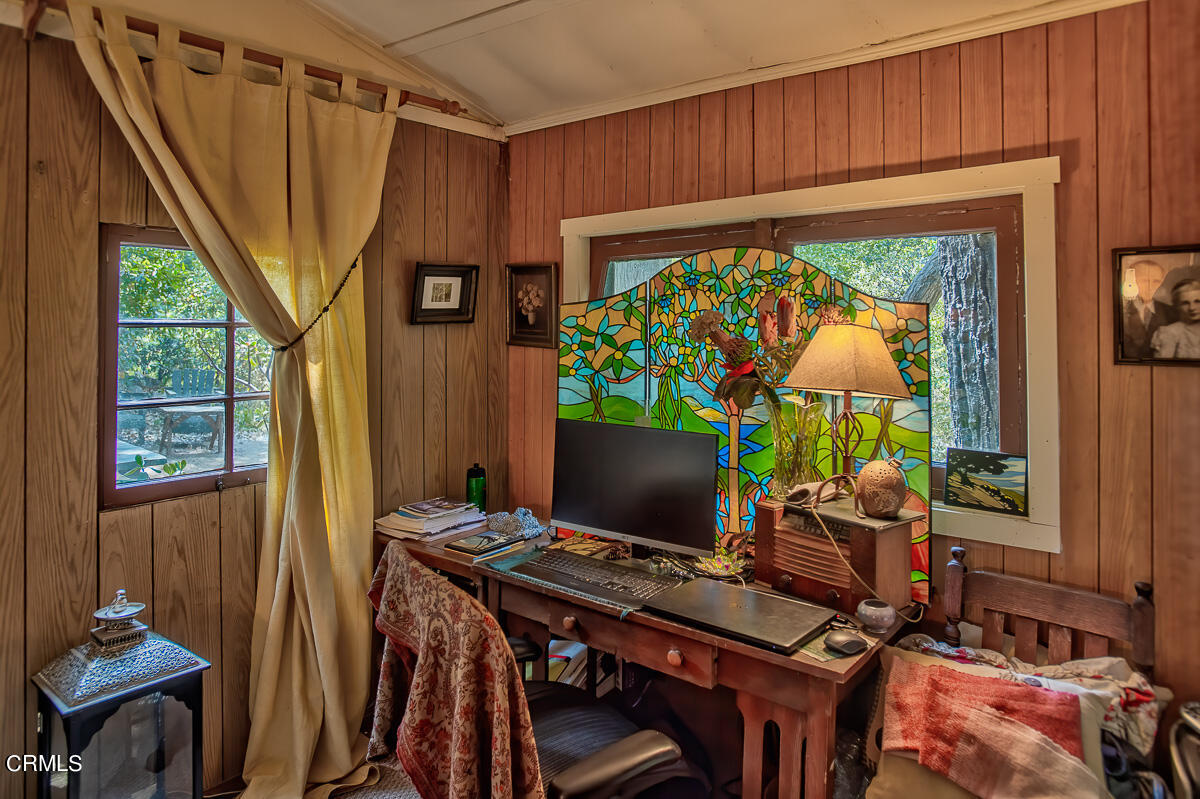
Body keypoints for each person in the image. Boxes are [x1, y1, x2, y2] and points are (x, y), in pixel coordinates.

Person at [1121, 259, 1172, 358]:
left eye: (1156, 281)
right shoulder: (1120, 310)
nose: (1150, 286)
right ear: (1131, 281)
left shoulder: (1172, 312)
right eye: (1144, 280)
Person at [1151, 278, 1200, 359]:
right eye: (1185, 303)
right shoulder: (1169, 333)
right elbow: (1162, 368)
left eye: (1197, 301)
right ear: (1177, 306)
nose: (1192, 308)